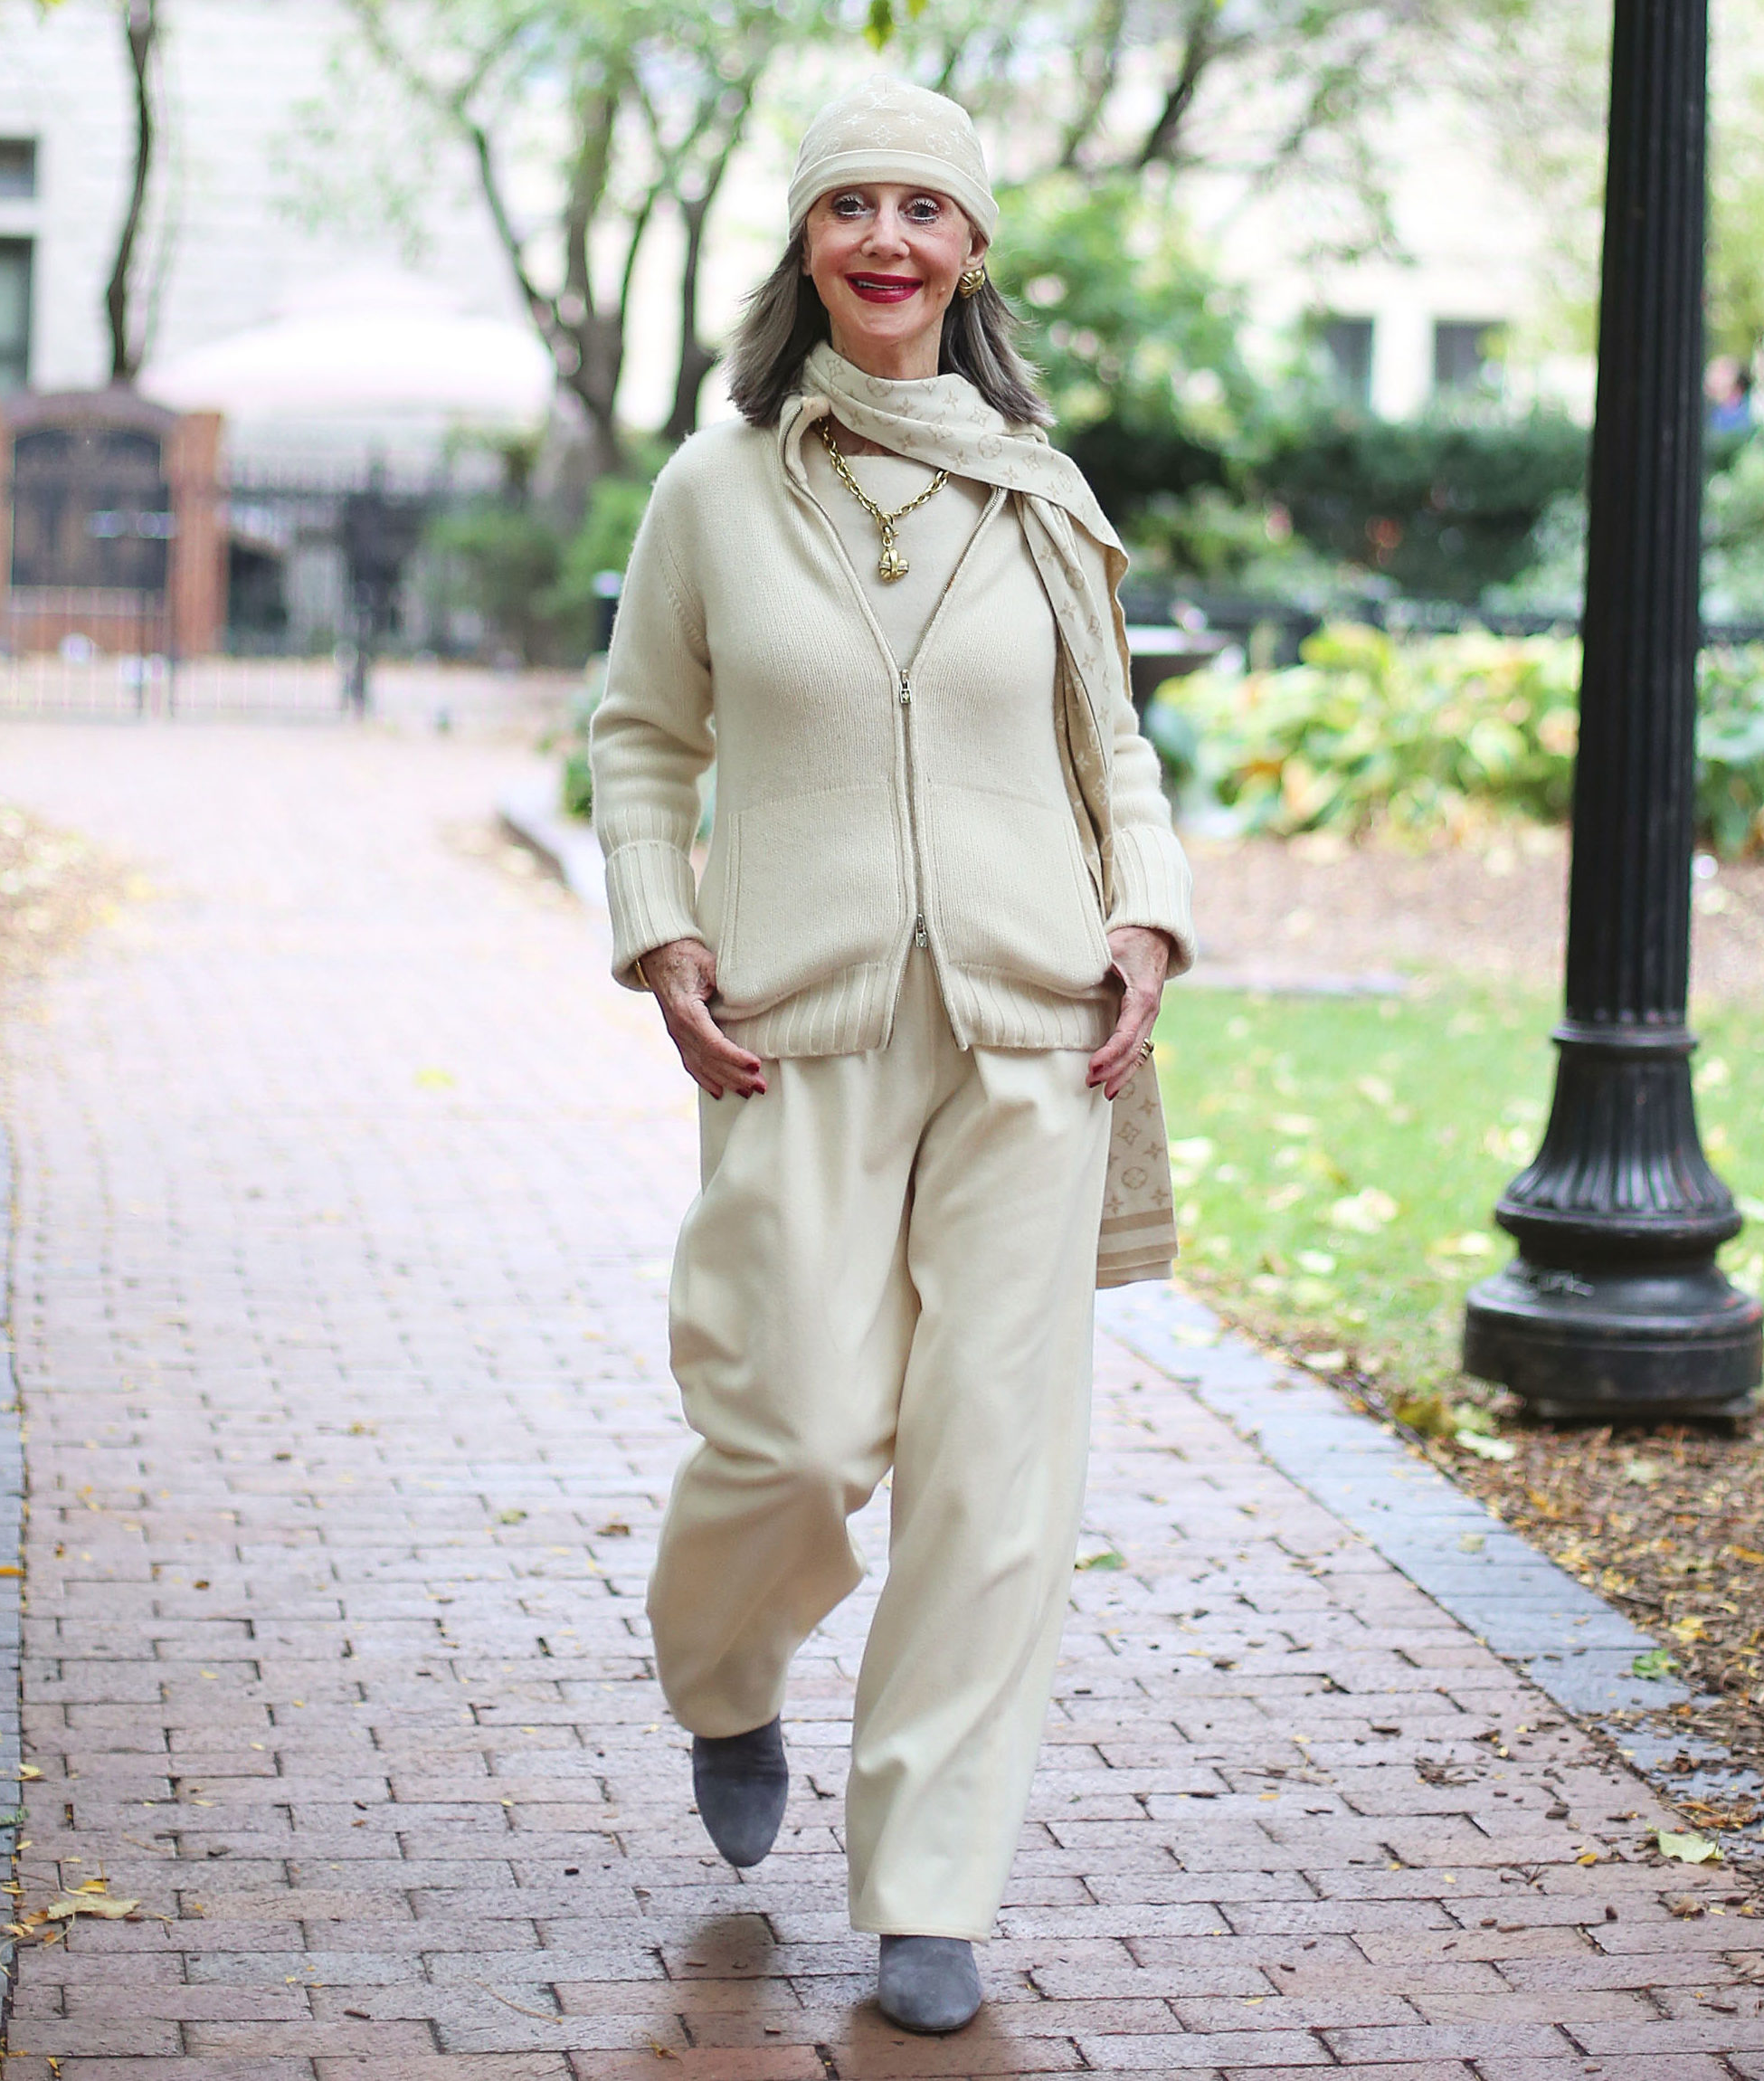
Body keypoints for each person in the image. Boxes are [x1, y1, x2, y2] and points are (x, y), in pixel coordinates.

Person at [586, 75, 1195, 2037]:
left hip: (1032, 1029)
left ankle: (932, 1881)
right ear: (803, 243)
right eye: (848, 205)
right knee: (789, 1424)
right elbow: (637, 738)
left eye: (921, 209)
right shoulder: (714, 486)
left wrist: (1147, 916)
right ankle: (729, 1672)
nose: (885, 241)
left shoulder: (1036, 487)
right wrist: (656, 921)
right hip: (797, 1025)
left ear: (972, 248)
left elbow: (1113, 748)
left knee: (991, 1473)